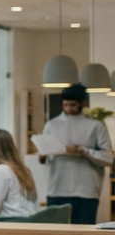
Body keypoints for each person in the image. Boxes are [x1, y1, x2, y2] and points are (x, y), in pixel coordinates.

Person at [39, 84, 112, 225]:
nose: (68, 108)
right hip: (57, 189)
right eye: (65, 105)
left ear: (83, 103)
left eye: (72, 105)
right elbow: (45, 155)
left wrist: (82, 151)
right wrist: (43, 156)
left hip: (86, 191)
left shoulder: (96, 126)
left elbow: (108, 158)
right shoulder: (51, 125)